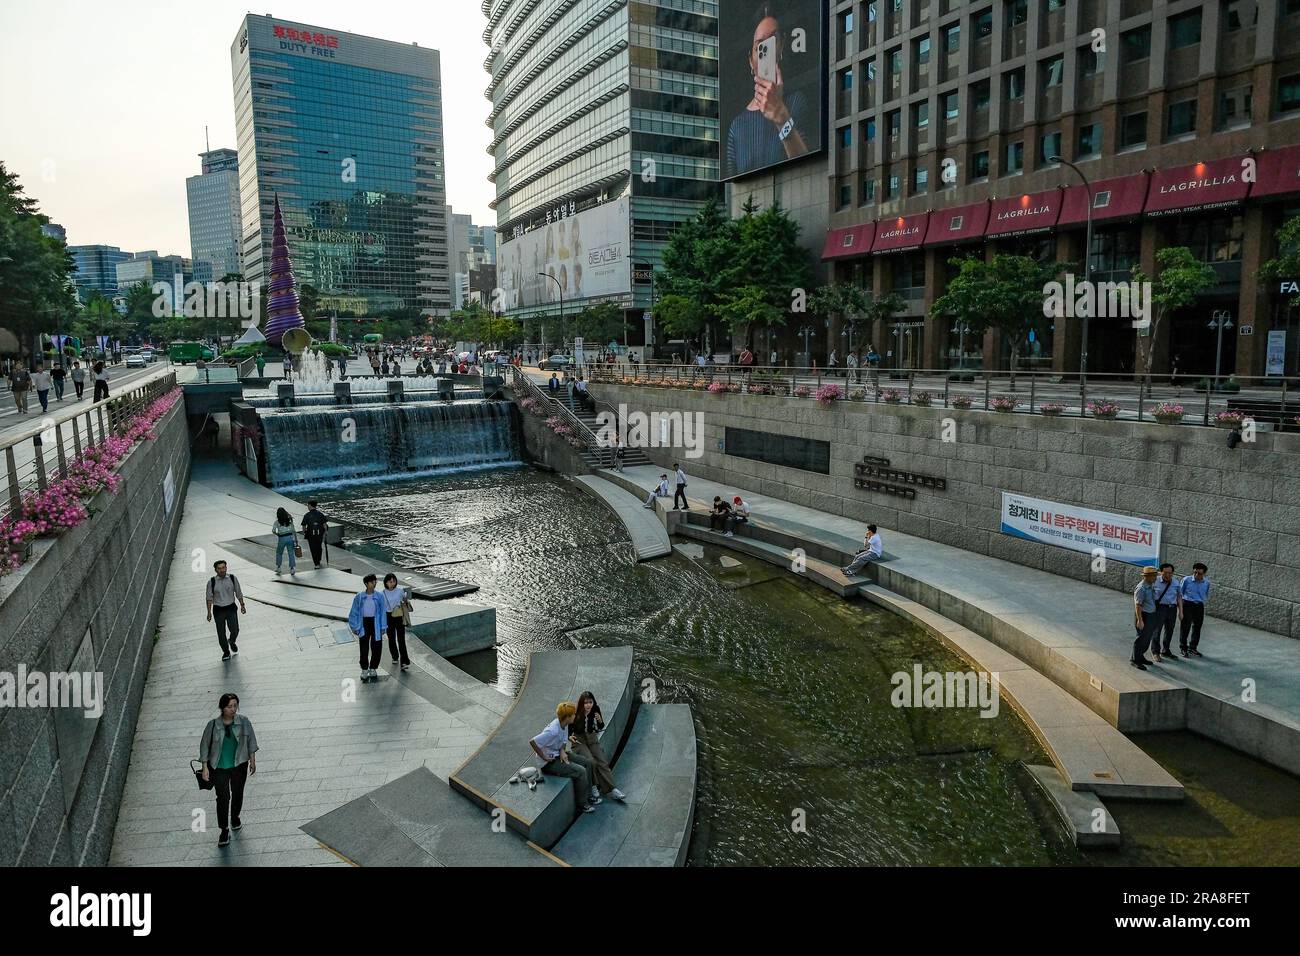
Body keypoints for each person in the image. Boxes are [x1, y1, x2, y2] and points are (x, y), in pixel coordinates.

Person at [724, 5, 812, 179]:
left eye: (773, 41)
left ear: (782, 47)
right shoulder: (737, 125)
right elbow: (732, 187)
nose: (767, 51)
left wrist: (781, 117)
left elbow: (806, 170)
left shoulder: (796, 101)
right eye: (760, 46)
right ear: (751, 60)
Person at [198, 693, 258, 848]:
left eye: (235, 706)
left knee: (238, 793)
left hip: (239, 765)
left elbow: (251, 740)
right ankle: (224, 829)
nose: (233, 709)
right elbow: (204, 746)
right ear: (222, 707)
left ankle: (235, 816)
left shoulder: (244, 722)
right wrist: (205, 767)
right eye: (229, 706)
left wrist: (252, 760)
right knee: (223, 798)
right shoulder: (212, 725)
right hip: (219, 768)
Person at [529, 701, 597, 816]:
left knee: (587, 763)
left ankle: (589, 795)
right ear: (567, 717)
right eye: (574, 714)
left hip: (558, 754)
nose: (576, 716)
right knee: (580, 771)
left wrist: (562, 751)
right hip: (548, 763)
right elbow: (533, 742)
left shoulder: (564, 725)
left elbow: (563, 742)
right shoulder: (552, 731)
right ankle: (582, 805)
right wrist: (544, 757)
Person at [568, 691, 626, 805]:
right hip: (579, 741)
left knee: (602, 762)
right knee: (591, 762)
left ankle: (612, 789)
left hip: (592, 739)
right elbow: (569, 729)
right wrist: (570, 737)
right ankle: (594, 786)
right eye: (585, 703)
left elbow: (600, 726)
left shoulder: (595, 709)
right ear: (581, 704)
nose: (588, 705)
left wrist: (599, 721)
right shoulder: (576, 712)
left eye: (590, 702)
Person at [348, 573, 387, 682]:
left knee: (377, 646)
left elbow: (383, 611)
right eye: (372, 581)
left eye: (375, 581)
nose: (374, 583)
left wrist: (383, 626)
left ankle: (373, 668)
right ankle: (364, 669)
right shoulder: (359, 597)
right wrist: (354, 626)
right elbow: (354, 611)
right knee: (363, 647)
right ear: (366, 583)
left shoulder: (379, 596)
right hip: (363, 623)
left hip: (376, 623)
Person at [205, 560, 247, 661]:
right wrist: (209, 612)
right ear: (215, 570)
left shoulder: (232, 578)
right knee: (221, 632)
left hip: (231, 607)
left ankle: (232, 641)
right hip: (218, 609)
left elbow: (238, 592)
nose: (222, 570)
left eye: (223, 567)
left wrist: (242, 605)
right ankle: (226, 651)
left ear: (226, 568)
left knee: (235, 629)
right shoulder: (211, 582)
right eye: (219, 568)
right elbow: (209, 598)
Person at [1151, 562, 1182, 664]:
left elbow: (1179, 597)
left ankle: (1166, 650)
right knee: (1157, 630)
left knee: (1169, 630)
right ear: (1161, 572)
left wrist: (1180, 611)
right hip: (1159, 608)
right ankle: (1155, 652)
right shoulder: (1155, 582)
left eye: (1170, 573)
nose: (1168, 575)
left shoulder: (1176, 583)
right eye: (1165, 573)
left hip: (1172, 609)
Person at [381, 572, 412, 671]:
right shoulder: (383, 593)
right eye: (390, 581)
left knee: (401, 639)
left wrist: (406, 600)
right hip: (388, 616)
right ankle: (395, 656)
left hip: (399, 615)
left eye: (393, 581)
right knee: (391, 638)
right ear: (386, 582)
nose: (392, 583)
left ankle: (404, 661)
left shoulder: (400, 591)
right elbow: (382, 608)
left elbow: (404, 602)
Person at [1178, 562, 1210, 658]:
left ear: (1204, 574)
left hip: (1199, 605)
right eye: (1195, 572)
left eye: (1199, 573)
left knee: (1197, 627)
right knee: (1185, 627)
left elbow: (1206, 594)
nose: (1196, 575)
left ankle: (1193, 647)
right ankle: (1183, 647)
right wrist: (1181, 608)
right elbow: (1180, 593)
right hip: (1187, 604)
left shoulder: (1207, 583)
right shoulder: (1186, 580)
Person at [1131, 566, 1160, 670]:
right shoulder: (1141, 588)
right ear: (1147, 577)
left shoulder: (1150, 585)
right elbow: (1138, 605)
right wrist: (1140, 620)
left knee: (1147, 638)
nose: (1156, 578)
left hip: (1151, 614)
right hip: (1144, 615)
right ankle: (1135, 660)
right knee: (1141, 638)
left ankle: (1140, 656)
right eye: (1154, 576)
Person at [300, 501, 329, 569]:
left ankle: (316, 563)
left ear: (310, 505)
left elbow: (304, 526)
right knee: (319, 547)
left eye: (308, 505)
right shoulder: (320, 514)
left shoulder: (307, 515)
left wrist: (305, 532)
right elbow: (324, 524)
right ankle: (318, 560)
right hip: (319, 534)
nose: (307, 507)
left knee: (313, 548)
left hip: (310, 535)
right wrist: (326, 532)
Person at [271, 507, 298, 575]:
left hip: (282, 538)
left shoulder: (277, 522)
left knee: (279, 553)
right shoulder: (289, 521)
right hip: (290, 537)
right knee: (291, 553)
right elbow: (293, 530)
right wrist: (296, 540)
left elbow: (273, 531)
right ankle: (292, 569)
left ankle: (279, 567)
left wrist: (278, 534)